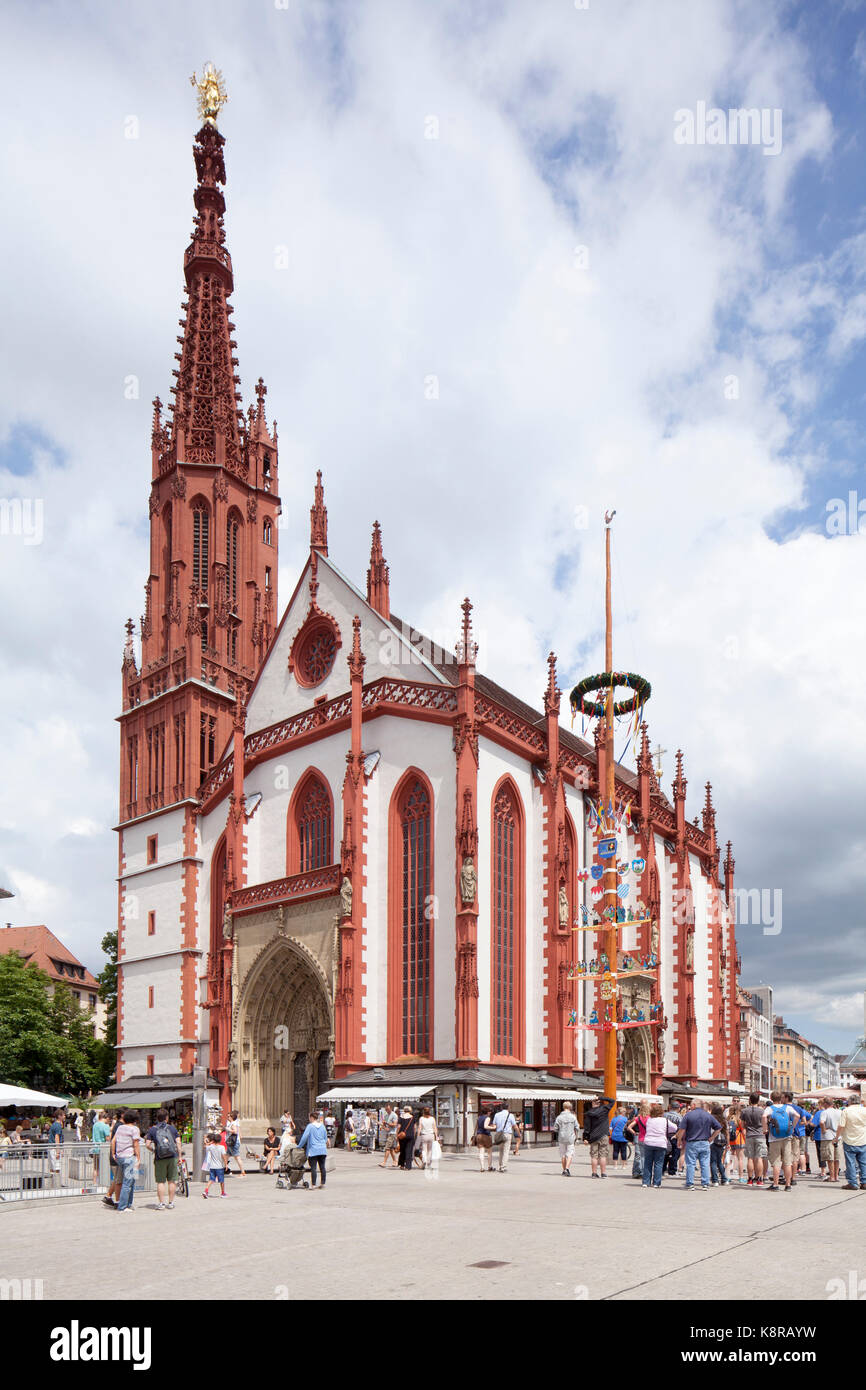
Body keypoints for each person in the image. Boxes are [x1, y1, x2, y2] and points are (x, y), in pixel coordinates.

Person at [677, 1099, 721, 1190]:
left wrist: (679, 1140)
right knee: (704, 1164)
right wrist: (712, 1138)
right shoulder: (708, 1115)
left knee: (691, 1164)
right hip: (705, 1142)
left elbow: (682, 1129)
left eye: (690, 1105)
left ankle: (690, 1184)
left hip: (692, 1142)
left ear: (694, 1105)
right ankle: (705, 1184)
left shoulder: (688, 1115)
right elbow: (718, 1128)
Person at [143, 1108, 182, 1209]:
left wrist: (154, 1150)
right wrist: (180, 1156)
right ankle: (171, 1203)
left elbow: (147, 1144)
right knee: (172, 1181)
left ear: (157, 1118)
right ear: (166, 1118)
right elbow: (178, 1142)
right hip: (172, 1157)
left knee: (160, 1182)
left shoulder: (152, 1129)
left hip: (159, 1157)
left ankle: (161, 1203)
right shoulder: (172, 1129)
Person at [763, 1091, 799, 1192]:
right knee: (787, 1162)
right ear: (781, 1098)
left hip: (774, 1138)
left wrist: (765, 1129)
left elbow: (763, 1117)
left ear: (771, 1098)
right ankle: (788, 1185)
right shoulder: (787, 1108)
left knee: (776, 1162)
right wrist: (792, 1127)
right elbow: (797, 1116)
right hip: (787, 1137)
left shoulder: (769, 1108)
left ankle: (775, 1184)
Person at [112, 1110, 141, 1213]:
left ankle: (128, 1204)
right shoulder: (135, 1129)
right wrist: (138, 1157)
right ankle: (123, 1206)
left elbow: (113, 1141)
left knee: (131, 1181)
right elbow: (136, 1144)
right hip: (130, 1157)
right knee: (128, 1183)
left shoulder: (120, 1127)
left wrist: (113, 1153)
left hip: (120, 1157)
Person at [838, 1094, 866, 1190]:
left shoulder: (846, 1111)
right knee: (863, 1162)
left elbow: (841, 1125)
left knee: (850, 1163)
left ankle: (853, 1183)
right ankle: (864, 1182)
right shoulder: (864, 1110)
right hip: (863, 1139)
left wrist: (837, 1137)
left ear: (850, 1101)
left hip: (849, 1140)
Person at [582, 1095, 615, 1178]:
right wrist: (600, 1097)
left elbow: (587, 1127)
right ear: (599, 1103)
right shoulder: (604, 1109)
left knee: (594, 1156)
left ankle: (594, 1173)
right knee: (603, 1155)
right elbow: (612, 1100)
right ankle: (603, 1173)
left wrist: (585, 1138)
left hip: (593, 1137)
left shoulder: (589, 1113)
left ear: (592, 1103)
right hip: (603, 1135)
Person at [740, 1092, 767, 1187]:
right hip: (760, 1135)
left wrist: (745, 1135)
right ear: (758, 1100)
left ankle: (750, 1179)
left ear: (750, 1100)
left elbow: (742, 1125)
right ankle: (759, 1179)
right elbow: (765, 1124)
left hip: (749, 1135)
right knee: (759, 1157)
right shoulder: (762, 1111)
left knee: (750, 1158)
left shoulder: (744, 1111)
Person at [298, 1111, 329, 1187]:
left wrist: (299, 1146)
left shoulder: (310, 1126)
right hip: (322, 1149)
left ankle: (313, 1184)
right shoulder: (322, 1126)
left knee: (313, 1168)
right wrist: (322, 1144)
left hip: (313, 1149)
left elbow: (304, 1137)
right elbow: (325, 1138)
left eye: (309, 1117)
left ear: (312, 1118)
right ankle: (322, 1183)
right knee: (322, 1167)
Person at [641, 1104, 668, 1188]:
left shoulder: (649, 1120)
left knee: (647, 1162)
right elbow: (674, 1128)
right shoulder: (665, 1120)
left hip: (649, 1142)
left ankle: (646, 1182)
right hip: (660, 1143)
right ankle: (656, 1183)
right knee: (658, 1163)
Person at [553, 1101, 580, 1177]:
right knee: (570, 1153)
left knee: (563, 1154)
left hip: (561, 1138)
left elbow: (555, 1128)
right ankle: (567, 1169)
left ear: (563, 1107)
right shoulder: (573, 1117)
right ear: (570, 1107)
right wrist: (576, 1136)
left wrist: (560, 1131)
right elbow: (577, 1127)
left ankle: (564, 1169)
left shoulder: (559, 1117)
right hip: (570, 1138)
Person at [627, 1102, 650, 1181]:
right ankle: (645, 1173)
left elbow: (629, 1127)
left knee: (638, 1155)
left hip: (639, 1137)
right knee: (647, 1157)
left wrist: (635, 1133)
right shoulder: (650, 1118)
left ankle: (637, 1172)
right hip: (648, 1138)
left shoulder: (638, 1118)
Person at [492, 1102, 517, 1172]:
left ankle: (500, 1166)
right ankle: (503, 1167)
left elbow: (494, 1125)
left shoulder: (497, 1115)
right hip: (507, 1134)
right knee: (506, 1151)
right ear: (508, 1107)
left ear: (502, 1108)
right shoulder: (510, 1115)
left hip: (500, 1134)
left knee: (501, 1151)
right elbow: (514, 1125)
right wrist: (518, 1133)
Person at [820, 1103, 841, 1183]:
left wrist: (823, 1130)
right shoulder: (839, 1112)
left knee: (830, 1158)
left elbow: (822, 1122)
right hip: (837, 1136)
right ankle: (836, 1176)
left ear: (825, 1104)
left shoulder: (825, 1112)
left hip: (828, 1136)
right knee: (837, 1158)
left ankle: (832, 1176)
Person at [202, 1131, 228, 1197]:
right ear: (220, 1140)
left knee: (211, 1179)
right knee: (221, 1181)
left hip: (212, 1167)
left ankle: (206, 1191)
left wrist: (208, 1141)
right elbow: (224, 1156)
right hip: (220, 1167)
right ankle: (222, 1193)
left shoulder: (210, 1147)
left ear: (213, 1140)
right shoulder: (222, 1147)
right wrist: (226, 1164)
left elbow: (205, 1145)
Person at [709, 1105, 729, 1187]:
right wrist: (728, 1143)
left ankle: (715, 1180)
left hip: (713, 1141)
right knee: (719, 1161)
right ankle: (724, 1179)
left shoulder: (711, 1119)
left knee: (713, 1162)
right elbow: (727, 1133)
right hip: (722, 1142)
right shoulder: (724, 1120)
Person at [727, 1105, 747, 1184]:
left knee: (731, 1158)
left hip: (731, 1140)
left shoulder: (729, 1118)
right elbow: (743, 1131)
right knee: (740, 1159)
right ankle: (741, 1177)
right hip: (739, 1139)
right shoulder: (739, 1119)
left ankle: (728, 1176)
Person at [91, 1110, 111, 1183]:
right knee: (103, 1166)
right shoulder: (105, 1126)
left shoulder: (95, 1125)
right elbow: (108, 1138)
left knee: (95, 1167)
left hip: (95, 1147)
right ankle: (103, 1182)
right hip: (103, 1149)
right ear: (106, 1118)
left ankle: (94, 1182)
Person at [663, 1102, 682, 1176]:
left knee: (665, 1152)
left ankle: (663, 1168)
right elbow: (681, 1128)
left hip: (665, 1135)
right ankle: (672, 1170)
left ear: (670, 1107)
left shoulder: (664, 1115)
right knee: (675, 1153)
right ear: (678, 1108)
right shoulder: (679, 1117)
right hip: (675, 1136)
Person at [224, 1111, 246, 1177]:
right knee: (226, 1156)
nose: (227, 1117)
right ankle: (223, 1169)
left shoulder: (233, 1123)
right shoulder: (232, 1123)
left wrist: (228, 1129)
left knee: (237, 1157)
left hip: (233, 1143)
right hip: (231, 1143)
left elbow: (235, 1132)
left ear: (232, 1117)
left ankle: (242, 1172)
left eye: (229, 1116)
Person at [473, 1107, 495, 1172]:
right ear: (487, 1112)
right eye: (489, 1111)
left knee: (481, 1152)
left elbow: (476, 1127)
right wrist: (493, 1127)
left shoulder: (479, 1118)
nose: (490, 1112)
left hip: (479, 1135)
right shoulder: (487, 1118)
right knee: (489, 1152)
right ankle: (489, 1166)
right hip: (486, 1135)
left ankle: (482, 1167)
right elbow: (485, 1126)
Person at [379, 1104, 400, 1168]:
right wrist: (383, 1126)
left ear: (391, 1108)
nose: (387, 1111)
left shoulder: (394, 1115)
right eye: (386, 1110)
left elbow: (395, 1124)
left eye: (388, 1109)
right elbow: (385, 1126)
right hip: (388, 1133)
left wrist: (387, 1123)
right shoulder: (386, 1115)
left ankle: (384, 1162)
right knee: (391, 1149)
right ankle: (395, 1161)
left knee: (387, 1148)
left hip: (392, 1133)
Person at [609, 1105, 629, 1171]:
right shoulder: (625, 1119)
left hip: (615, 1136)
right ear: (622, 1112)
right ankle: (623, 1165)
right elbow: (627, 1128)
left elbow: (610, 1128)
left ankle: (615, 1165)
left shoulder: (614, 1119)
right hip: (623, 1137)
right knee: (623, 1151)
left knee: (615, 1151)